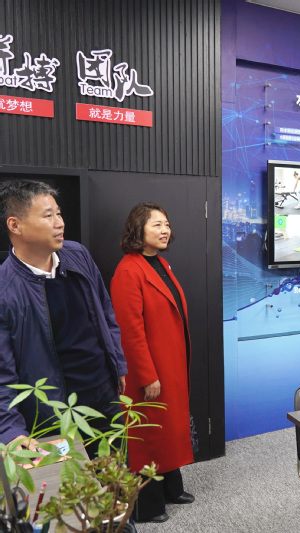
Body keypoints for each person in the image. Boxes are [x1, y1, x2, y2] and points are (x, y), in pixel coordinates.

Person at [0, 180, 127, 454]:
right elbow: (2, 372)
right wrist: (10, 430)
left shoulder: (77, 254)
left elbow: (105, 312)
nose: (60, 223)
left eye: (59, 213)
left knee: (117, 475)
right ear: (15, 225)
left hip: (104, 395)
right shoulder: (5, 289)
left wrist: (117, 363)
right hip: (54, 412)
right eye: (48, 216)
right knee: (71, 480)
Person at [110, 202, 195, 523]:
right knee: (148, 437)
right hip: (148, 371)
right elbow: (129, 333)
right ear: (138, 229)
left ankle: (172, 488)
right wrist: (147, 375)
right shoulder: (128, 271)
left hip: (169, 364)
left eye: (167, 224)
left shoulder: (160, 263)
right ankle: (148, 506)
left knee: (167, 430)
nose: (165, 230)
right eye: (156, 224)